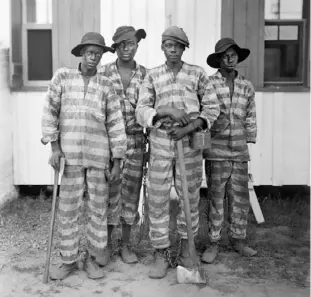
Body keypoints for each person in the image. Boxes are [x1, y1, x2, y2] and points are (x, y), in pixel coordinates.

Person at [41, 32, 127, 280]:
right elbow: (50, 112)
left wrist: (117, 161)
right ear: (81, 53)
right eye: (90, 53)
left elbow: (116, 123)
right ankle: (68, 260)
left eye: (98, 54)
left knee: (98, 209)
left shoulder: (106, 85)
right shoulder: (63, 78)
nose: (94, 58)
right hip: (69, 157)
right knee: (68, 210)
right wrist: (55, 148)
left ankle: (91, 258)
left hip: (99, 158)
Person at [135, 26, 219, 279]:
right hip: (161, 146)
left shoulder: (197, 74)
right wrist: (167, 111)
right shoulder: (152, 76)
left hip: (190, 146)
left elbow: (212, 107)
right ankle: (161, 253)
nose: (173, 50)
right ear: (162, 48)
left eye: (178, 46)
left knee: (189, 198)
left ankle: (186, 250)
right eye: (168, 45)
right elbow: (141, 110)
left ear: (184, 49)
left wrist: (191, 127)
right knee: (158, 200)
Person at [201, 38, 257, 264]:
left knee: (240, 198)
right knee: (216, 198)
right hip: (216, 150)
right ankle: (213, 242)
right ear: (219, 59)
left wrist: (250, 136)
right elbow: (204, 112)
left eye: (233, 54)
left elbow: (251, 113)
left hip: (239, 151)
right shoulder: (210, 83)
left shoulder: (246, 85)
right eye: (226, 55)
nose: (230, 58)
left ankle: (238, 239)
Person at [97, 26, 147, 265]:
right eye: (122, 45)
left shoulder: (146, 75)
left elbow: (150, 110)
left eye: (132, 44)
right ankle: (104, 245)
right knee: (109, 193)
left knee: (131, 195)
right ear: (115, 47)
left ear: (137, 46)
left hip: (136, 142)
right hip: (109, 143)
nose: (127, 49)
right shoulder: (103, 73)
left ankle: (126, 245)